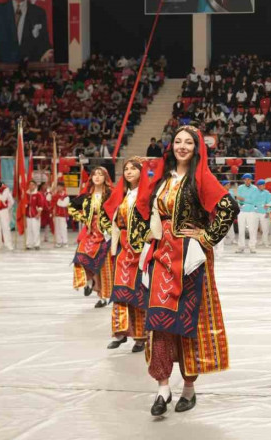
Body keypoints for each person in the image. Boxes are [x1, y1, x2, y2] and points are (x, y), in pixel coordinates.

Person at [135, 126, 239, 416]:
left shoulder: (201, 178)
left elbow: (229, 207)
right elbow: (148, 213)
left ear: (196, 149)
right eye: (178, 141)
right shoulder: (163, 180)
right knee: (158, 321)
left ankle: (189, 388)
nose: (182, 146)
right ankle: (162, 388)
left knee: (187, 323)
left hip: (190, 260)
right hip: (161, 257)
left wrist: (205, 236)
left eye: (188, 143)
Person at [104, 158, 149, 353]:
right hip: (123, 249)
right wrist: (113, 248)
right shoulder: (123, 195)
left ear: (142, 171)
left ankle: (140, 337)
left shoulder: (148, 195)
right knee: (121, 291)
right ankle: (120, 332)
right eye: (126, 169)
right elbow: (114, 222)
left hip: (140, 250)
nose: (129, 171)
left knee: (138, 293)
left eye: (133, 168)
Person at [68, 167, 113, 307]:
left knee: (104, 267)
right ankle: (88, 281)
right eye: (95, 174)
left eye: (101, 174)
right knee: (80, 257)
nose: (97, 177)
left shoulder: (111, 194)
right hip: (91, 234)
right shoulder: (87, 197)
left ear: (105, 177)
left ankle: (104, 297)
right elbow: (71, 207)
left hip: (106, 235)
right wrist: (82, 217)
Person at [0, 0, 53, 64]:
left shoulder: (39, 13)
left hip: (30, 72)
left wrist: (47, 53)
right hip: (2, 72)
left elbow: (44, 43)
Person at [235, 173, 260, 253]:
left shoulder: (255, 188)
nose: (247, 181)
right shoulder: (240, 187)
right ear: (243, 180)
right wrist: (241, 201)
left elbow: (253, 201)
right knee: (241, 229)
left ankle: (252, 247)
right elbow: (238, 199)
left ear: (251, 180)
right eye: (245, 179)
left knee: (252, 230)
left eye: (248, 179)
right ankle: (241, 247)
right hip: (241, 211)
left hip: (251, 211)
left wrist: (243, 199)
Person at [0, 180, 14, 250]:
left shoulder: (6, 189)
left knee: (5, 227)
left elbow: (4, 199)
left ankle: (8, 244)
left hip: (3, 210)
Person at [24, 181, 47, 250]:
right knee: (28, 230)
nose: (31, 186)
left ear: (35, 186)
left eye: (33, 185)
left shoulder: (38, 194)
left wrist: (39, 214)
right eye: (30, 185)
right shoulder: (26, 194)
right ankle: (29, 244)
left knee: (35, 230)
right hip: (28, 215)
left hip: (35, 215)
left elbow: (40, 205)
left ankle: (36, 244)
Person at [51, 180, 70, 247]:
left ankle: (65, 242)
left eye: (60, 187)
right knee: (57, 229)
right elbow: (52, 204)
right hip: (56, 215)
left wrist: (57, 200)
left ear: (62, 187)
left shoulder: (66, 196)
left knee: (63, 229)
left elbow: (63, 204)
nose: (58, 188)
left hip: (63, 215)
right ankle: (58, 242)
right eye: (57, 187)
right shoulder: (55, 195)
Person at [255, 179, 271, 246]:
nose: (261, 186)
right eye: (260, 185)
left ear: (264, 185)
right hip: (255, 212)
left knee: (265, 228)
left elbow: (269, 203)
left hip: (264, 213)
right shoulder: (255, 192)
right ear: (258, 186)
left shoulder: (267, 193)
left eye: (262, 185)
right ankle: (256, 241)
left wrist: (268, 212)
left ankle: (265, 242)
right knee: (255, 228)